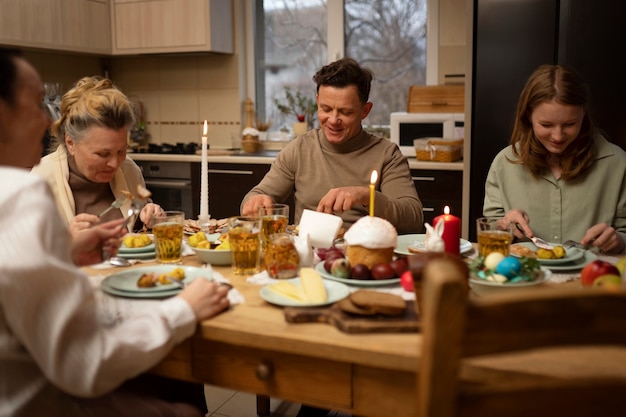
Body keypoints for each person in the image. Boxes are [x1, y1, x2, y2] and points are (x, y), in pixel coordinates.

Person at [0, 47, 231, 417]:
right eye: (35, 104)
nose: (48, 119)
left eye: (121, 151)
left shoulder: (125, 174)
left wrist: (67, 252)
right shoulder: (23, 194)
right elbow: (81, 364)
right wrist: (183, 309)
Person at [241, 57, 423, 234]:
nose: (333, 120)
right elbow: (255, 195)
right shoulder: (299, 149)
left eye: (345, 112)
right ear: (317, 101)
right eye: (326, 109)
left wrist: (366, 196)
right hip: (307, 256)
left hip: (364, 255)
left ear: (365, 111)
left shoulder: (387, 154)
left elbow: (413, 219)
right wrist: (255, 201)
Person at [483, 64, 626, 255]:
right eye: (546, 124)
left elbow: (623, 233)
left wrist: (617, 240)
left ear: (584, 114)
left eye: (569, 124)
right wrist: (503, 225)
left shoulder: (618, 163)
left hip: (594, 282)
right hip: (524, 279)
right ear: (528, 117)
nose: (558, 136)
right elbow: (491, 228)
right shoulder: (504, 162)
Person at [31, 75, 163, 235]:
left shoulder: (129, 171)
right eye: (103, 154)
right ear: (71, 143)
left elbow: (139, 237)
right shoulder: (39, 182)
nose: (115, 164)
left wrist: (153, 220)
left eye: (121, 151)